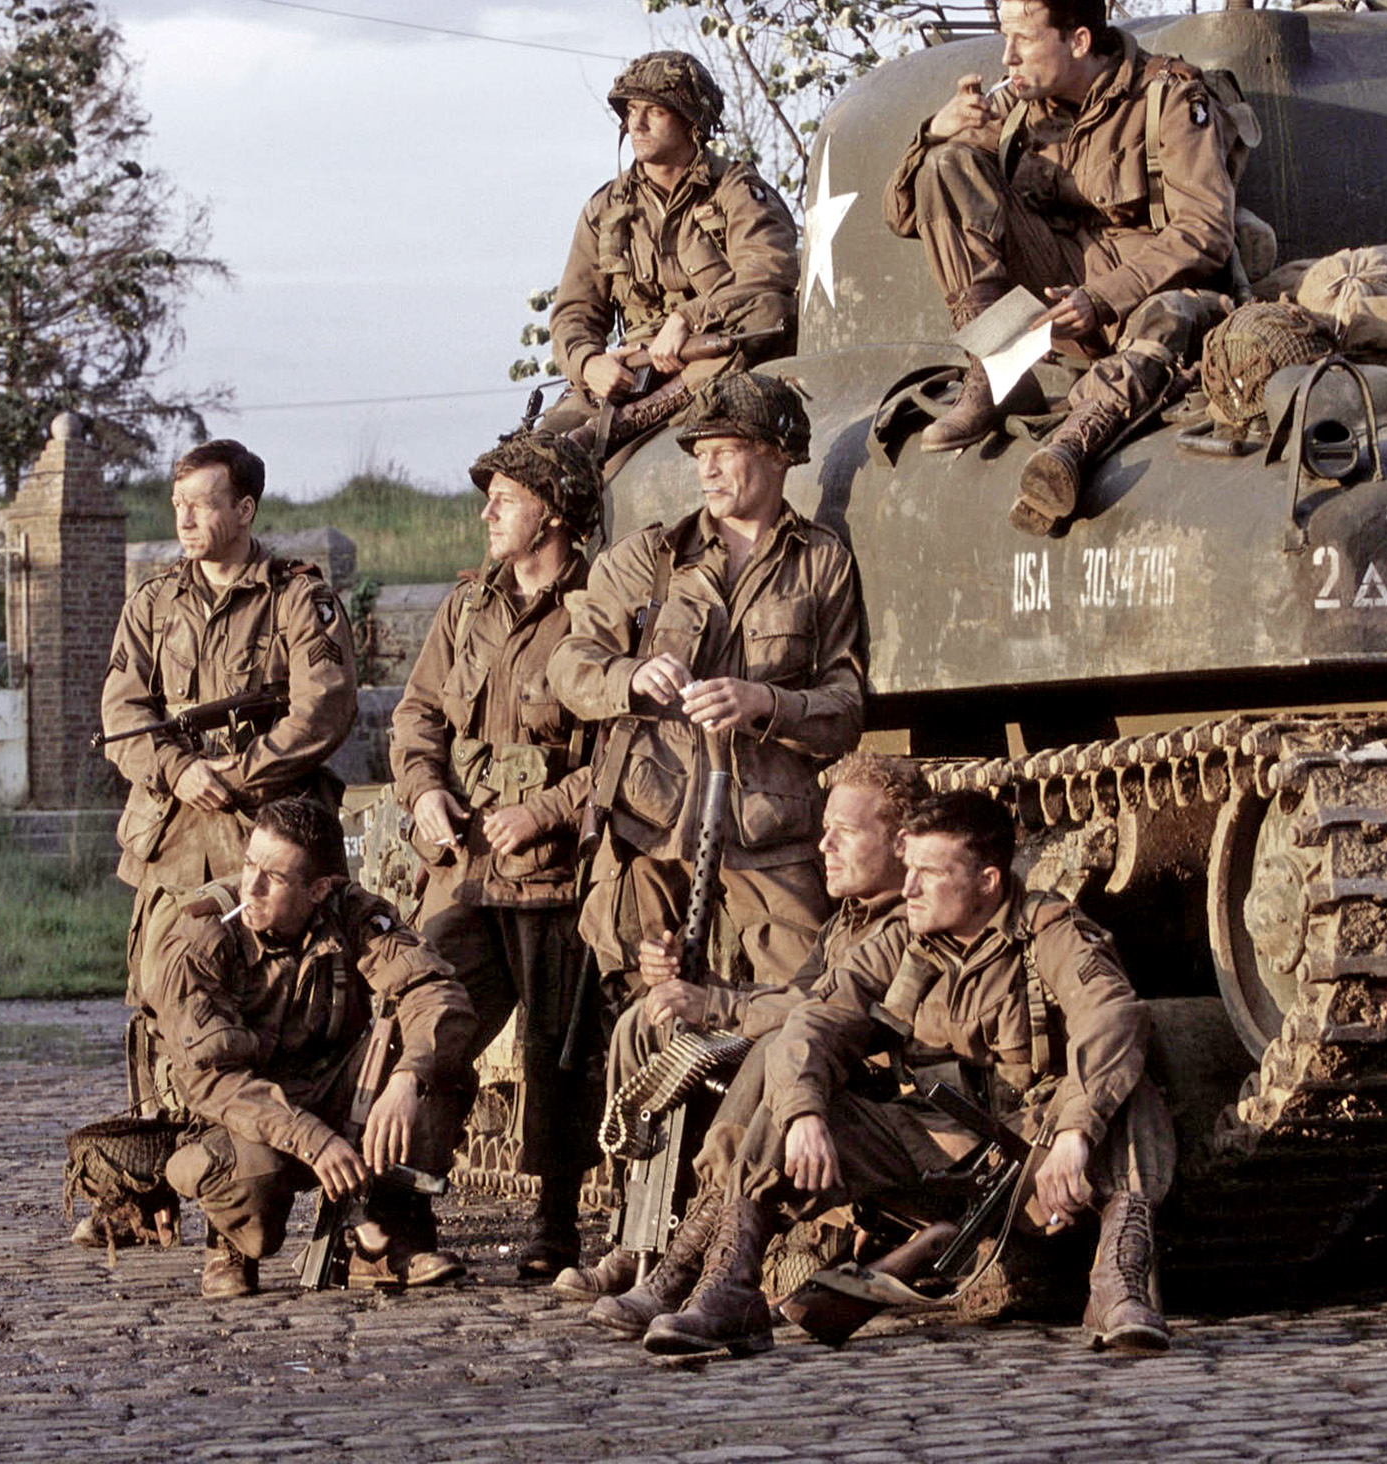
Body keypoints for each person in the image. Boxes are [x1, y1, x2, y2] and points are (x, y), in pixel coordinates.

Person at [631, 789, 1177, 1359]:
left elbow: (1111, 1014)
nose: (908, 887)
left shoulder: (1049, 931)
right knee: (785, 1070)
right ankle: (732, 1289)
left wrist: (1073, 1134)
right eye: (908, 868)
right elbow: (815, 1021)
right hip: (921, 1147)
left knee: (1128, 1088)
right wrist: (804, 1114)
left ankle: (1118, 1284)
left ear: (988, 881)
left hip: (1025, 1157)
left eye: (928, 873)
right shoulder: (902, 940)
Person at [544, 370, 868, 1296]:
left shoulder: (821, 564)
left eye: (730, 452)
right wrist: (628, 678)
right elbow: (574, 661)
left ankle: (760, 1236)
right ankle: (637, 1240)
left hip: (767, 835)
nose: (712, 469)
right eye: (703, 454)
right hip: (658, 830)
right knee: (652, 1027)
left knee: (784, 1014)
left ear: (778, 457)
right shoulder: (652, 556)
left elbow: (846, 706)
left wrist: (765, 700)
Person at [885, 0, 1245, 532]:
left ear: (1078, 40)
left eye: (1023, 40)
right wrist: (933, 133)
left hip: (1142, 295)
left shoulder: (1168, 97)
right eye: (1005, 39)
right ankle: (997, 368)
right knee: (946, 167)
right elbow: (906, 215)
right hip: (1052, 296)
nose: (1007, 58)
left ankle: (1078, 438)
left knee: (1171, 316)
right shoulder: (1015, 105)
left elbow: (1204, 229)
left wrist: (1101, 297)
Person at [579, 751, 925, 1334]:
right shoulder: (851, 919)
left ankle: (702, 1272)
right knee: (662, 1023)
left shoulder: (907, 927)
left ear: (902, 845)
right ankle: (684, 1261)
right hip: (855, 1098)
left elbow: (821, 1014)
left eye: (844, 833)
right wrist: (708, 988)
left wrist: (718, 1005)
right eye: (824, 831)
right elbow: (800, 993)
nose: (824, 848)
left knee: (778, 1051)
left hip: (900, 1115)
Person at [386, 427, 606, 1279]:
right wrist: (424, 791)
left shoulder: (601, 611)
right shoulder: (467, 609)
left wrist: (548, 809)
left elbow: (629, 747)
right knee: (425, 1029)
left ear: (551, 513)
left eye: (504, 498)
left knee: (560, 1057)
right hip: (465, 878)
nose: (487, 512)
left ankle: (554, 1223)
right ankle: (401, 1209)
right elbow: (416, 717)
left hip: (554, 883)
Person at [138, 797, 477, 1299]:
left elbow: (436, 992)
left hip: (324, 1086)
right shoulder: (204, 935)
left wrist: (408, 1078)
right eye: (249, 863)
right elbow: (211, 1077)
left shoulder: (350, 912)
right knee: (256, 1173)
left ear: (319, 889)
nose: (249, 887)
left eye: (271, 877)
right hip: (236, 1109)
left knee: (437, 1068)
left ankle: (385, 1237)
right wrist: (310, 1138)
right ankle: (228, 1243)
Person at [100, 439, 359, 1002]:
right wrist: (177, 770)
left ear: (244, 509)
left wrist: (234, 776)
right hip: (172, 847)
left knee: (275, 1001)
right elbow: (122, 714)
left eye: (202, 504)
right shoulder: (153, 603)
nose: (185, 519)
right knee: (162, 1000)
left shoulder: (297, 598)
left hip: (266, 845)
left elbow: (324, 710)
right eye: (177, 504)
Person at [543, 51, 801, 456]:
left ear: (690, 121)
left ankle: (627, 424)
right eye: (631, 111)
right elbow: (573, 313)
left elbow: (770, 268)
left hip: (713, 348)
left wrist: (688, 318)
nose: (637, 124)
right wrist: (589, 363)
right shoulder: (606, 208)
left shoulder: (735, 190)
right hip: (634, 371)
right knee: (534, 454)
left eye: (655, 111)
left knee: (770, 313)